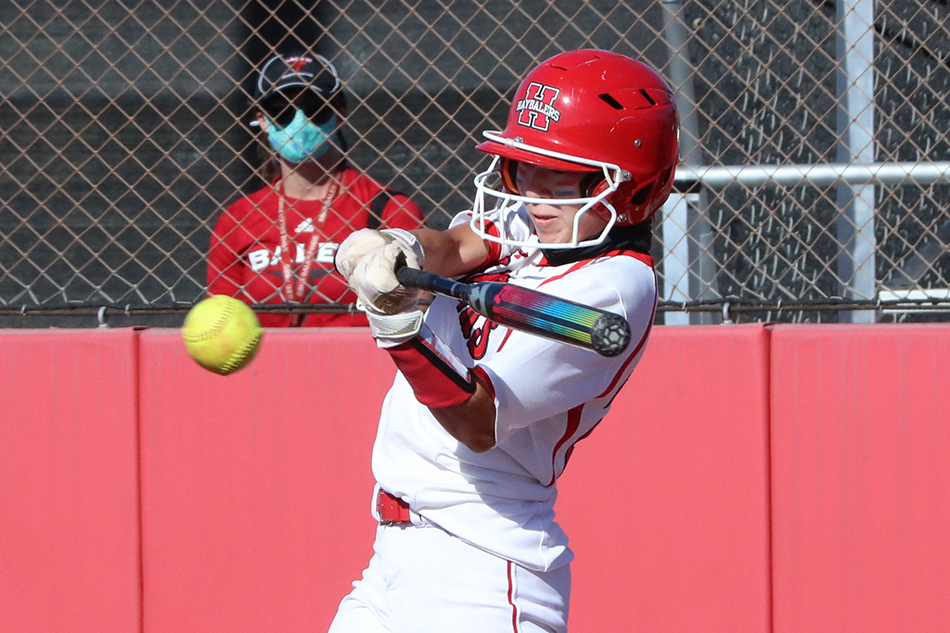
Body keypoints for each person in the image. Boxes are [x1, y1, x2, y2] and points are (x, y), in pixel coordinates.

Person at [330, 49, 679, 632]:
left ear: (631, 189)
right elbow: (459, 245)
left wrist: (399, 330)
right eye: (524, 170)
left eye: (561, 175)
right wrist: (399, 249)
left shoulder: (615, 288)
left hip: (481, 574)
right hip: (391, 561)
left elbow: (477, 419)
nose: (536, 194)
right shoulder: (537, 223)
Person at [207, 51, 425, 327]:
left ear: (339, 115)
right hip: (266, 366)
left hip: (358, 363)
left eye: (314, 107)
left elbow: (420, 308)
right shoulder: (237, 219)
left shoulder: (388, 209)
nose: (300, 120)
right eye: (281, 110)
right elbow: (220, 322)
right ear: (262, 121)